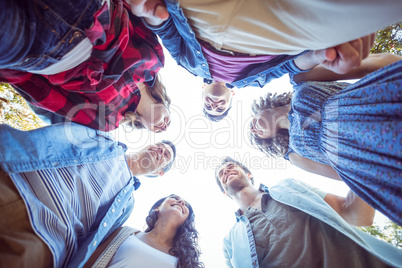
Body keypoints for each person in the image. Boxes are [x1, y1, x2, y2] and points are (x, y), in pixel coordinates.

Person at [129, 0, 402, 121]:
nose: (214, 103)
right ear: (232, 98)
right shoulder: (255, 81)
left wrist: (148, 13)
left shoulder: (190, 65)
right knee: (369, 10)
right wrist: (320, 55)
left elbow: (165, 30)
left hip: (206, 23)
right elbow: (291, 65)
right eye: (219, 108)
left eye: (208, 106)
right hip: (280, 34)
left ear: (202, 90)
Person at [249, 54, 402, 225]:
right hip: (384, 158)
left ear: (262, 107)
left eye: (251, 122)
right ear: (268, 140)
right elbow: (346, 175)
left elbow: (373, 64)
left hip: (385, 100)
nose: (252, 129)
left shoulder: (300, 79)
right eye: (255, 135)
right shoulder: (294, 154)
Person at [0, 122, 178, 267]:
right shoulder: (104, 140)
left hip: (45, 236)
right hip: (15, 178)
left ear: (158, 173)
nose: (160, 150)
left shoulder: (127, 204)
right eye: (159, 145)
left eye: (166, 155)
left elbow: (94, 238)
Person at [0, 0, 170, 132]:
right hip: (91, 13)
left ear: (144, 127)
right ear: (167, 104)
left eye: (159, 131)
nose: (164, 126)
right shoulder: (156, 63)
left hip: (44, 55)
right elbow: (134, 12)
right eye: (169, 123)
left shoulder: (108, 122)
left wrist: (12, 70)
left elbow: (52, 98)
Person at [215, 157, 402, 267]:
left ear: (249, 174)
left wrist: (360, 161)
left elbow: (355, 214)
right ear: (224, 192)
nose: (226, 170)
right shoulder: (229, 243)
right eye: (221, 173)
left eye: (231, 166)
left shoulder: (289, 185)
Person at [84, 195, 204, 268]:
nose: (181, 202)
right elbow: (90, 262)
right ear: (157, 208)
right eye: (175, 198)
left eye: (186, 206)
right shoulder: (125, 233)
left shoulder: (186, 261)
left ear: (186, 221)